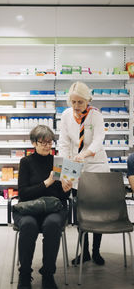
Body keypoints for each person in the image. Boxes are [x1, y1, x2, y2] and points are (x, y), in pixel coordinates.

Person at [13, 125, 72, 289]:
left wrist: (66, 188)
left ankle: (48, 274)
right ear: (34, 143)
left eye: (50, 142)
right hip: (30, 208)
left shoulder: (58, 162)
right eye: (43, 142)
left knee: (53, 225)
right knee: (28, 226)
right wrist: (47, 182)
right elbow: (23, 193)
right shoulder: (26, 162)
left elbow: (61, 196)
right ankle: (24, 274)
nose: (47, 146)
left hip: (53, 209)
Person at [58, 81, 110, 266]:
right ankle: (85, 252)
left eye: (80, 102)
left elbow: (98, 140)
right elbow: (63, 143)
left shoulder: (95, 115)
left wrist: (85, 154)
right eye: (73, 102)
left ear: (87, 100)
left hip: (95, 163)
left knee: (97, 210)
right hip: (75, 163)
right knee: (80, 211)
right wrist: (65, 168)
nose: (76, 106)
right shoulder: (65, 116)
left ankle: (96, 252)